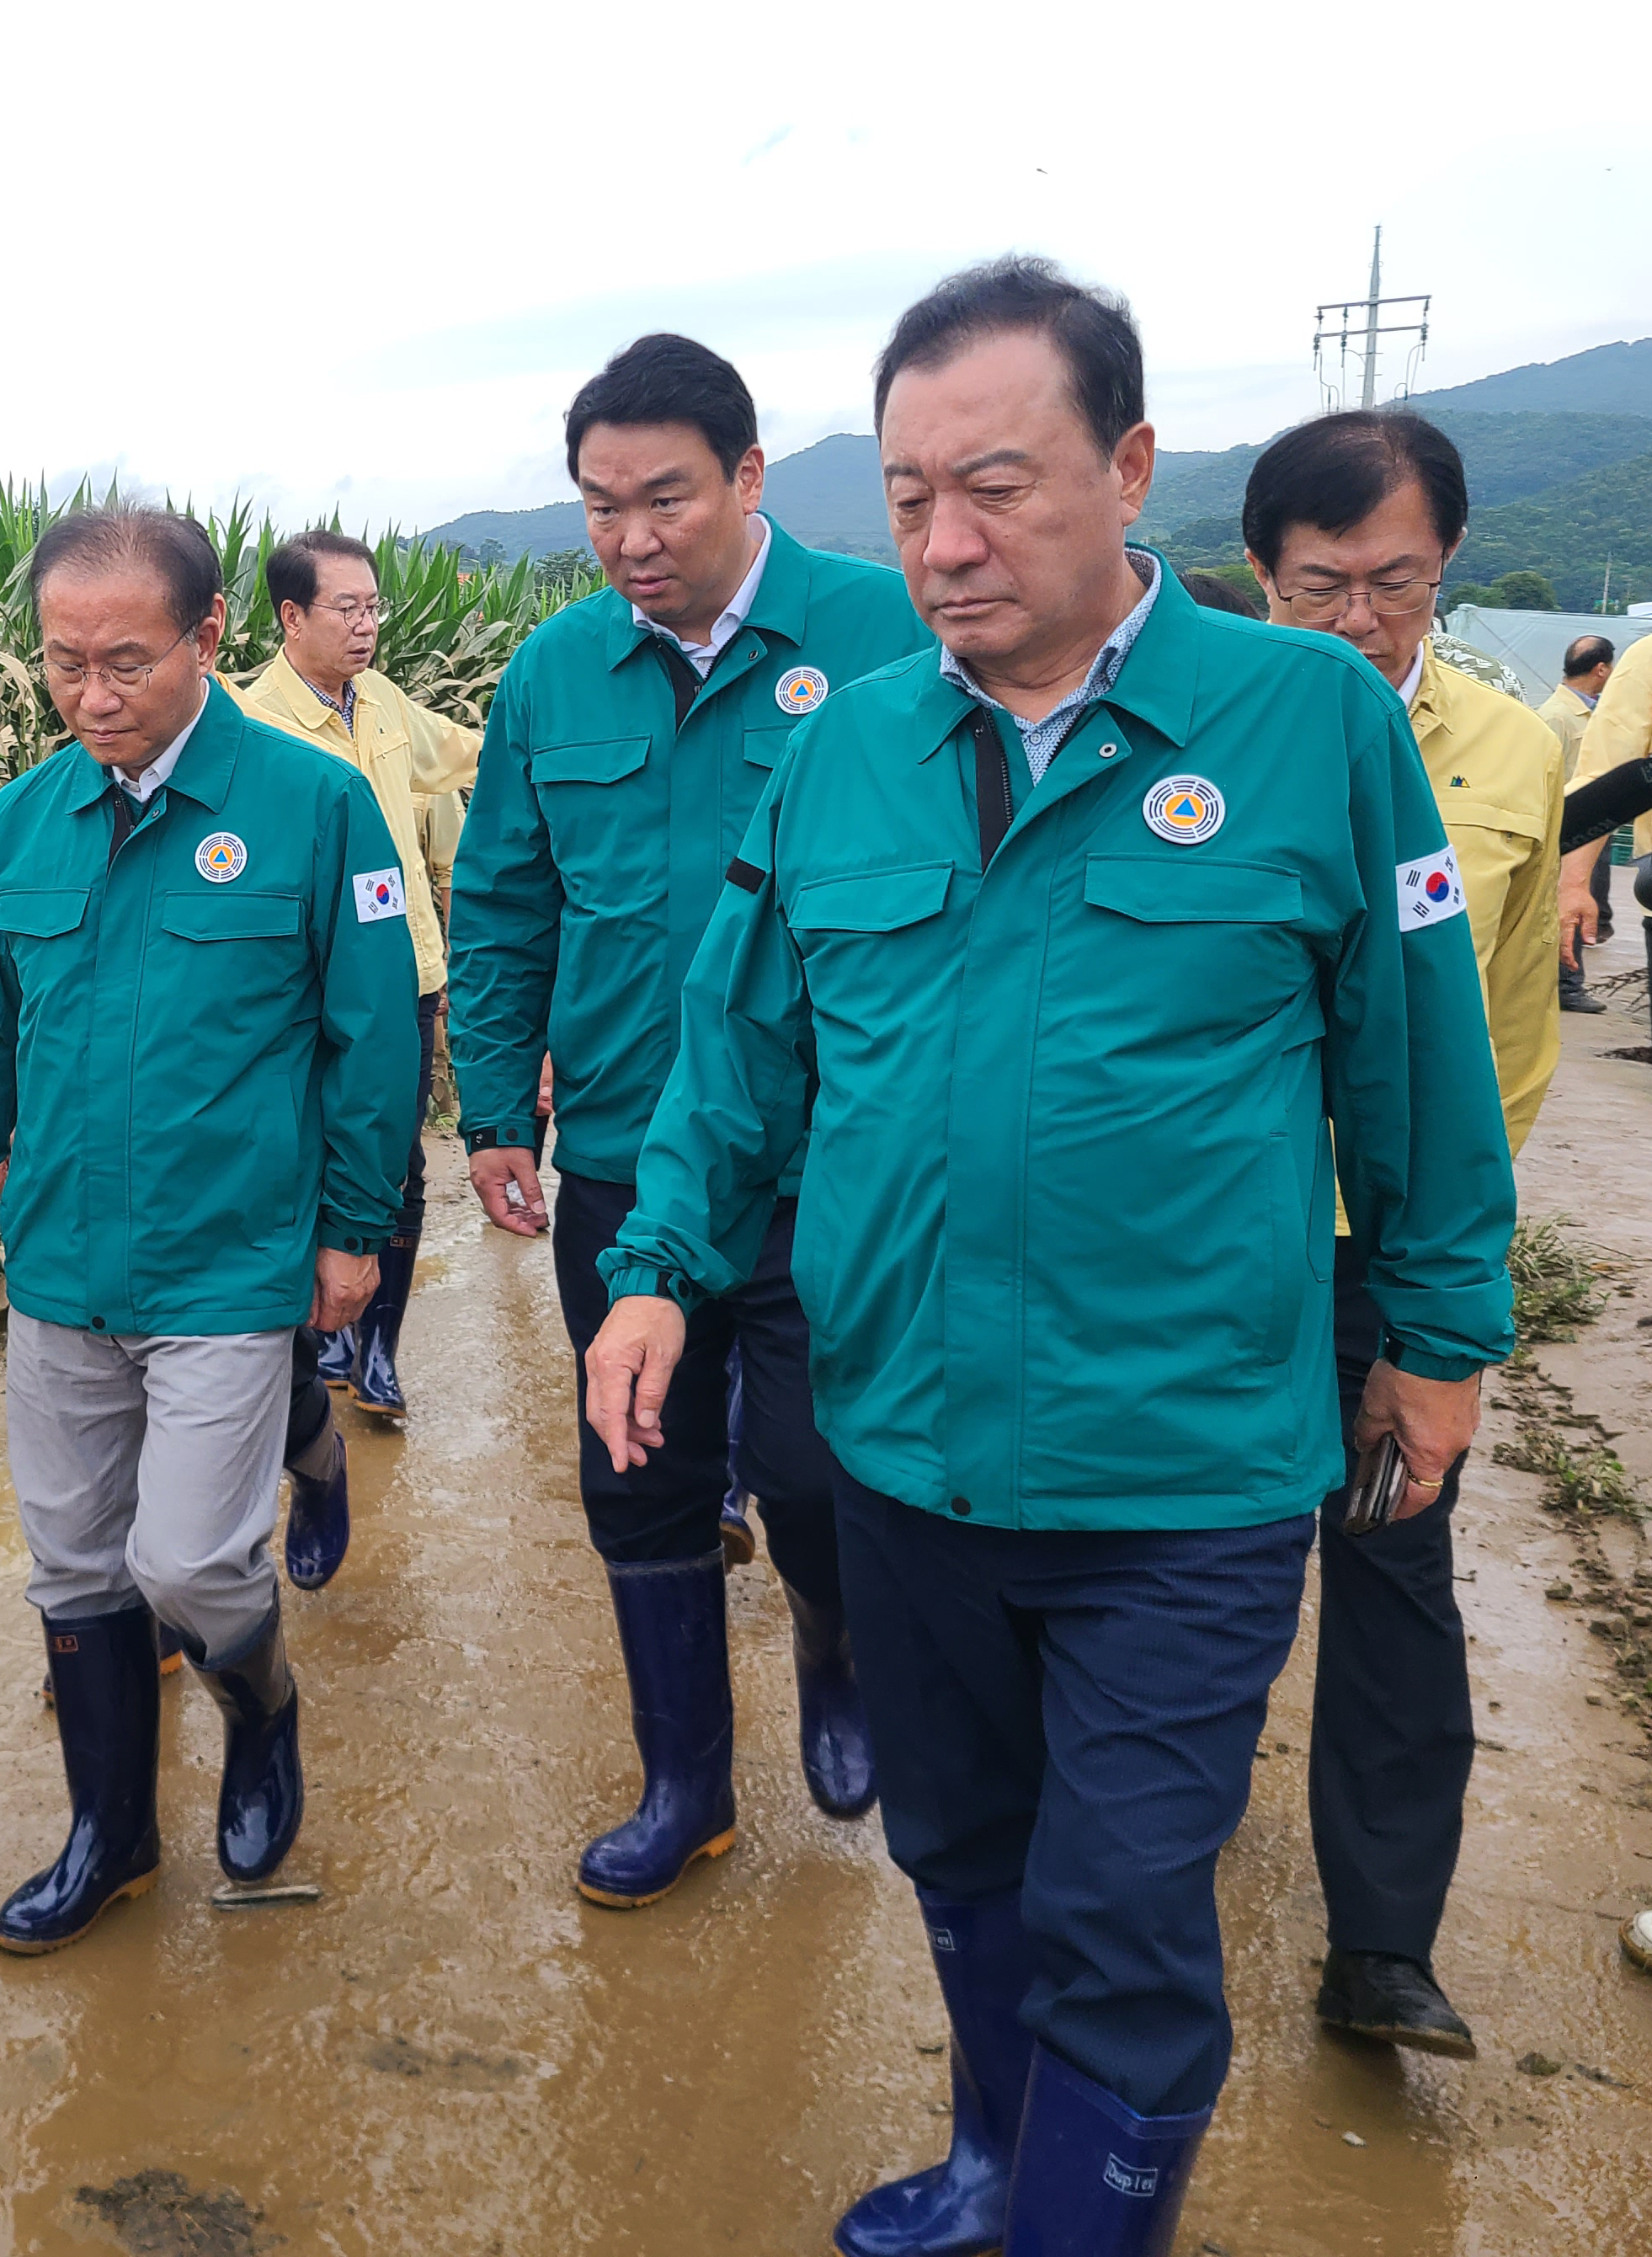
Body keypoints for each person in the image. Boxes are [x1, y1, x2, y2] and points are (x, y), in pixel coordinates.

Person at [581, 260, 1513, 2256]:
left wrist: (1435, 1340)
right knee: (965, 1843)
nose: (940, 541)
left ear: (1130, 465)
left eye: (992, 484)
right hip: (905, 1447)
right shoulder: (841, 752)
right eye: (907, 495)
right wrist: (657, 1258)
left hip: (1174, 1470)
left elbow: (1416, 1070)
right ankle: (997, 2157)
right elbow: (735, 1053)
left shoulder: (1305, 725)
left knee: (1118, 1911)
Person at [448, 332, 930, 1909]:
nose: (630, 539)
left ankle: (835, 1641)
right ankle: (683, 1786)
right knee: (637, 1462)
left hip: (824, 1156)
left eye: (662, 499)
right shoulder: (551, 673)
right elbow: (505, 896)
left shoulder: (881, 634)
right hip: (619, 1152)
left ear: (746, 478)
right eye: (597, 507)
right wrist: (492, 1105)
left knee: (805, 1465)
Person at [0, 506, 417, 1953]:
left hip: (229, 1258)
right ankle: (108, 1835)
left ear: (204, 638)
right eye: (62, 664)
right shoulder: (25, 820)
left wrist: (350, 1230)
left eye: (124, 661)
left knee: (188, 1568)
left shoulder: (314, 810)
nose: (91, 695)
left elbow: (368, 1036)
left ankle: (259, 1705)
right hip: (66, 1262)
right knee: (72, 1570)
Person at [1245, 410, 1563, 2059]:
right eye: (1322, 588)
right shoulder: (1204, 742)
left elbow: (1504, 1036)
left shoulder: (1514, 757)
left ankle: (1380, 1942)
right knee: (1187, 1559)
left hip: (1385, 1258)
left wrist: (1448, 1295)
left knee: (1388, 1563)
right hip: (1220, 1253)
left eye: (1400, 583)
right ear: (1260, 578)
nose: (1364, 621)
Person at [231, 529, 479, 1577]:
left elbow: (470, 752)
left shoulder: (386, 709)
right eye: (348, 608)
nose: (369, 622)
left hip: (404, 973)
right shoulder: (243, 723)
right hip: (298, 987)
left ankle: (373, 1345)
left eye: (374, 606)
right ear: (289, 619)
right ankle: (315, 1342)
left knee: (396, 1163)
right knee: (301, 1158)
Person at [1551, 632, 1630, 1003]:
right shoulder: (1556, 716)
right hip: (1569, 831)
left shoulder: (1592, 712)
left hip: (1593, 826)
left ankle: (1569, 983)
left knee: (1586, 902)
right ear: (1602, 669)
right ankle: (1568, 986)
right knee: (1571, 903)